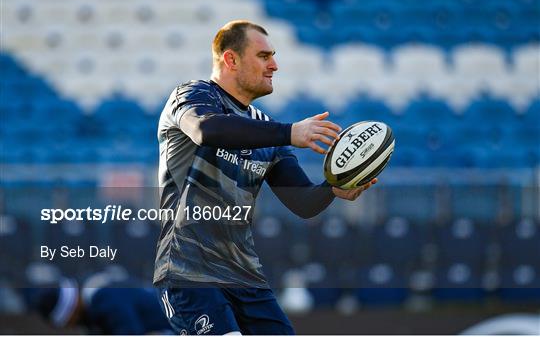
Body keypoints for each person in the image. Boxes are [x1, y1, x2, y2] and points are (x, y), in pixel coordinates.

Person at [153, 20, 377, 335]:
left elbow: (302, 201)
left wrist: (334, 187)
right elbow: (208, 130)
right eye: (263, 56)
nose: (274, 65)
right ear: (230, 60)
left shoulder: (264, 127)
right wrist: (289, 132)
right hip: (190, 272)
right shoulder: (193, 95)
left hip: (245, 277)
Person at [22, 266, 171, 335]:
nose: (71, 325)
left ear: (72, 309)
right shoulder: (93, 303)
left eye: (69, 321)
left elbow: (130, 332)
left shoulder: (104, 299)